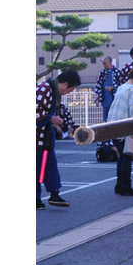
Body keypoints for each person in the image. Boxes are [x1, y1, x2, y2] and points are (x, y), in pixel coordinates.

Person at [36, 70, 81, 209]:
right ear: (65, 84)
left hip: (45, 137)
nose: (69, 92)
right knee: (38, 168)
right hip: (37, 138)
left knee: (49, 165)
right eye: (70, 89)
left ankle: (53, 194)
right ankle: (37, 199)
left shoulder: (49, 89)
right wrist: (51, 118)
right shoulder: (44, 89)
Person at [107, 66, 133, 196]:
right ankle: (126, 185)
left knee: (122, 155)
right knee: (127, 156)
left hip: (113, 123)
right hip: (125, 125)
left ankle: (119, 185)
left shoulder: (121, 87)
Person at [95, 56, 118, 123]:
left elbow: (120, 84)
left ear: (110, 62)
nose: (104, 65)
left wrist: (112, 87)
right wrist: (98, 96)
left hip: (113, 99)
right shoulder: (102, 72)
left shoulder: (116, 72)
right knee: (105, 117)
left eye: (105, 63)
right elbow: (99, 84)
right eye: (103, 63)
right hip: (105, 99)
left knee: (113, 117)